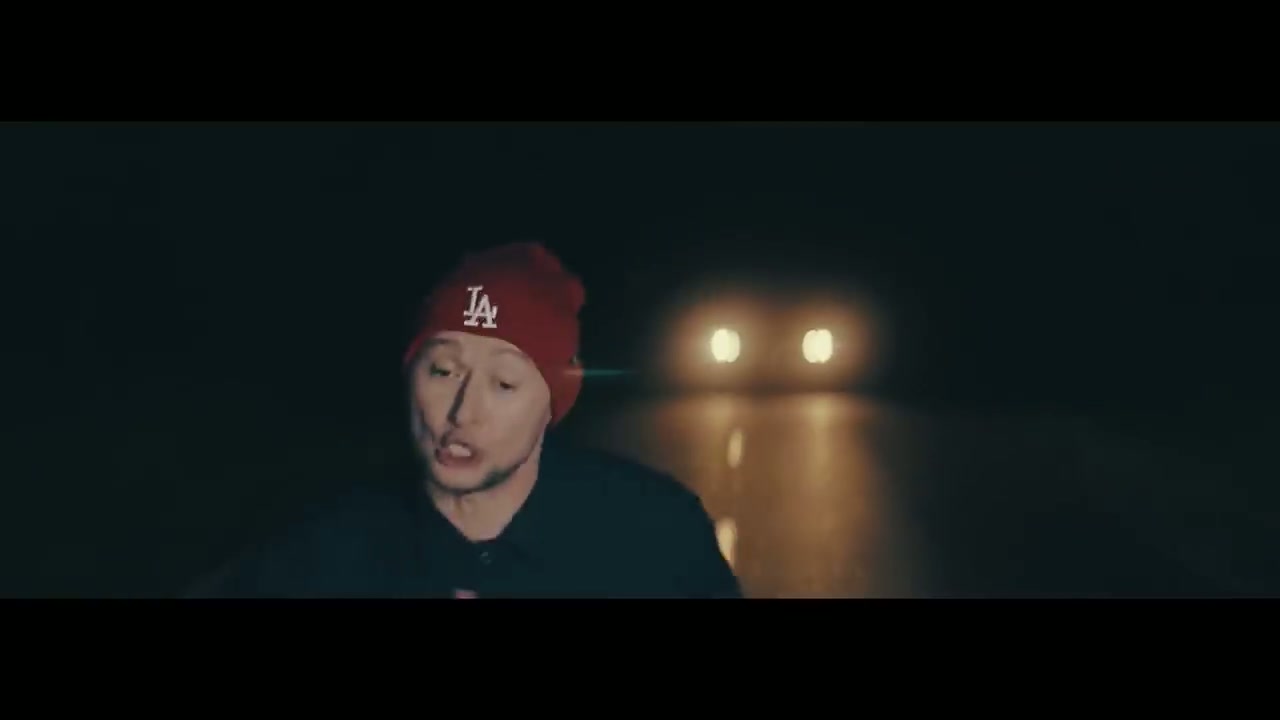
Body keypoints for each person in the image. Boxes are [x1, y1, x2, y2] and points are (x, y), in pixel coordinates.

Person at [186, 241, 741, 598]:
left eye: (503, 383)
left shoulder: (655, 535)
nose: (463, 412)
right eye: (443, 371)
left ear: (552, 403)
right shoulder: (319, 555)